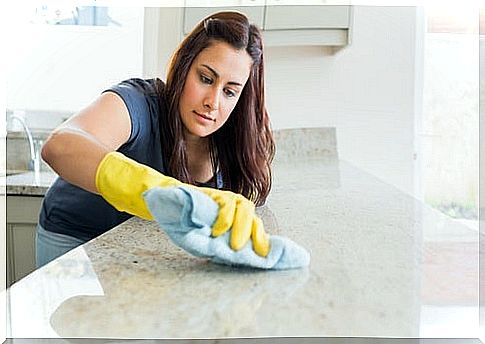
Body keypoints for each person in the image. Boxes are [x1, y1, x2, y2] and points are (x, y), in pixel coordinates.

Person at [36, 11, 275, 268]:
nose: (213, 102)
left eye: (229, 91)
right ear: (184, 67)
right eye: (205, 79)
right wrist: (172, 194)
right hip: (74, 240)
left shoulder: (234, 141)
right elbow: (59, 146)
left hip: (136, 248)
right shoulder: (140, 102)